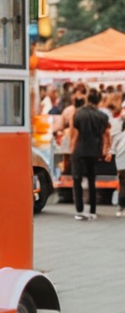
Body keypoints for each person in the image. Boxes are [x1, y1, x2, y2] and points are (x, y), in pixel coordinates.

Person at [70, 88, 111, 221]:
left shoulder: (78, 114)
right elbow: (106, 134)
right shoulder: (102, 116)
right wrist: (106, 149)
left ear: (87, 99)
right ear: (99, 101)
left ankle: (80, 210)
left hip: (80, 149)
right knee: (92, 180)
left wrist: (72, 148)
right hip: (94, 151)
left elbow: (75, 133)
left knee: (77, 180)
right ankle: (93, 210)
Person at [109, 93, 125, 218]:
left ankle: (121, 207)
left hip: (120, 160)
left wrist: (111, 152)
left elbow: (113, 143)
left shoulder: (117, 128)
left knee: (123, 183)